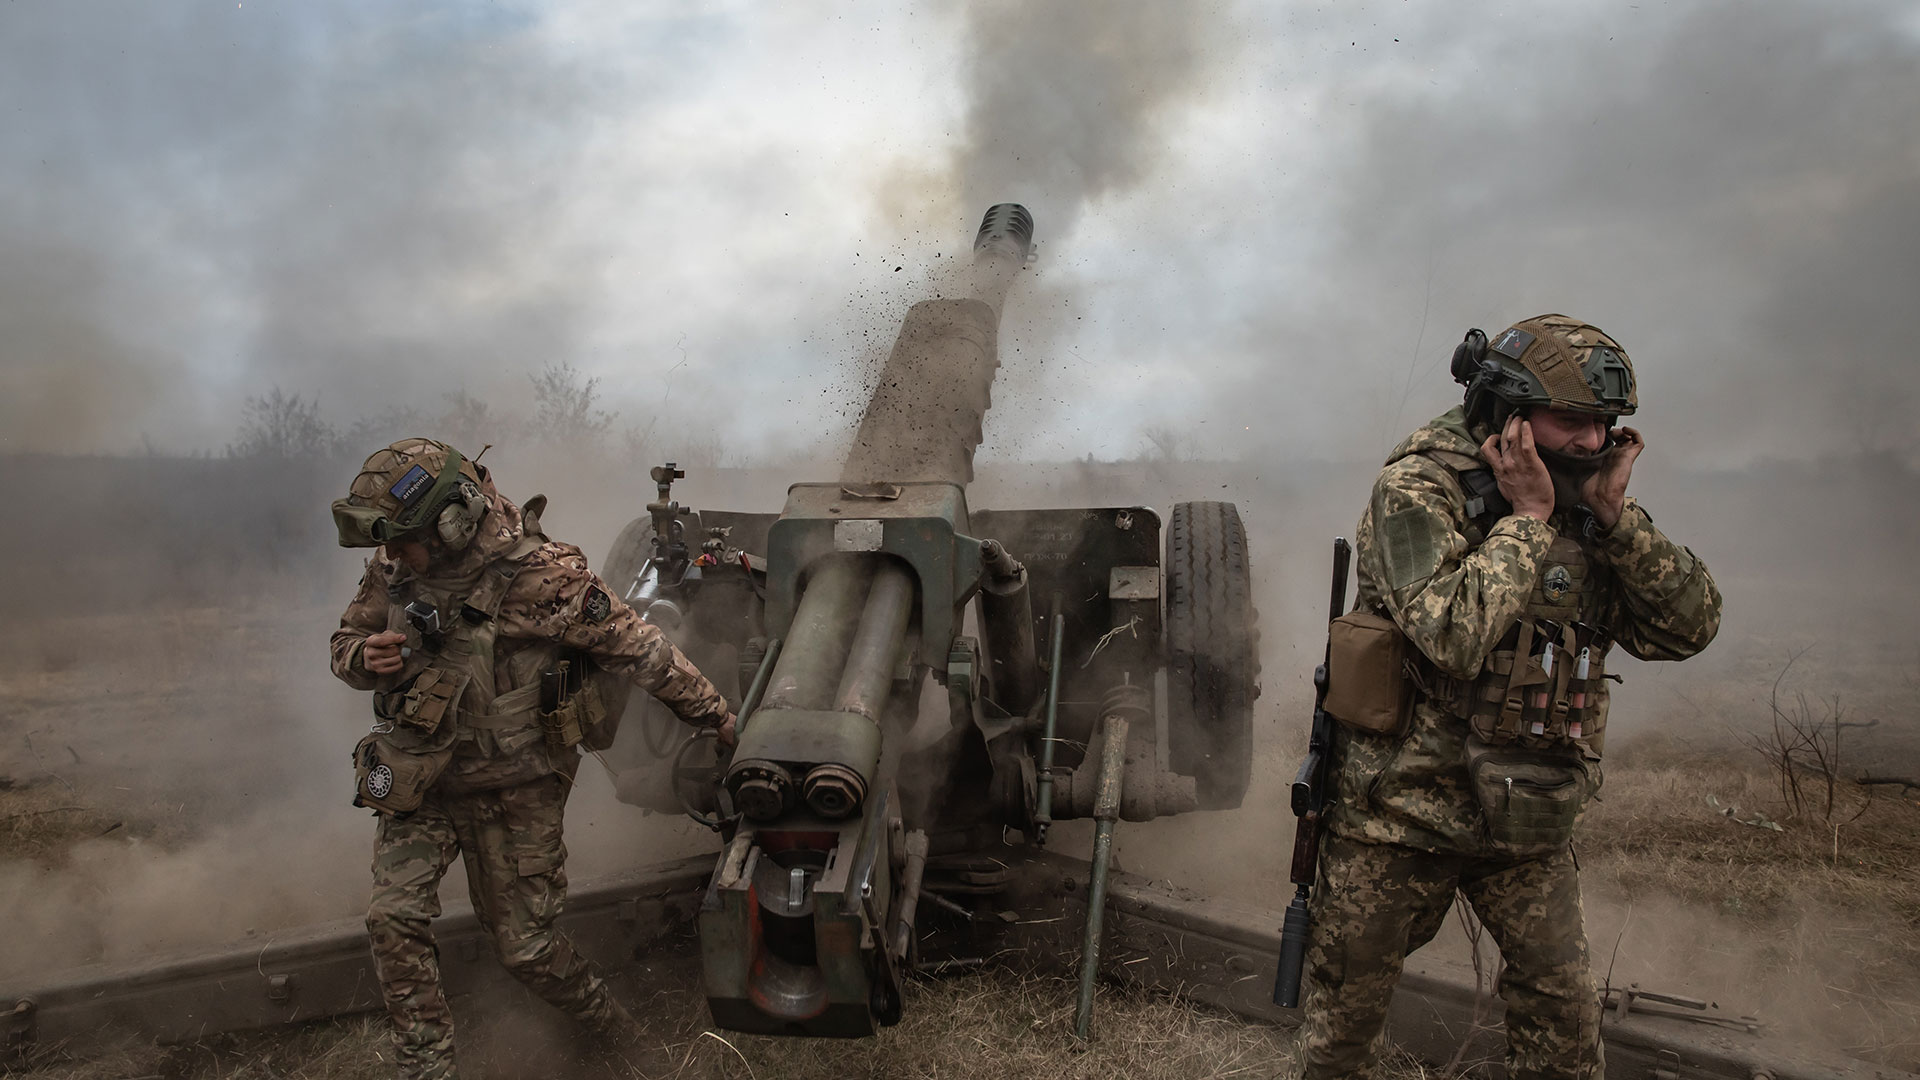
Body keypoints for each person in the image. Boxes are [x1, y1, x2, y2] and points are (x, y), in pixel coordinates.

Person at [1295, 315, 1722, 1080]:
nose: (1593, 442)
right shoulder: (1418, 487)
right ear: (1510, 409)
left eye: (1606, 424)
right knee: (1341, 1038)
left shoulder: (1586, 500)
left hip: (1528, 815)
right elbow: (1451, 635)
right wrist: (1527, 522)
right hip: (1401, 815)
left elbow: (1688, 628)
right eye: (1573, 420)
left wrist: (1618, 523)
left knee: (1565, 1030)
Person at [328, 437, 735, 1080]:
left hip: (515, 787)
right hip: (422, 778)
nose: (392, 556)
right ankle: (425, 1067)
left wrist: (717, 717)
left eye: (404, 541)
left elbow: (643, 652)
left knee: (527, 950)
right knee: (392, 919)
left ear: (452, 521)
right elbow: (348, 638)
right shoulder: (395, 568)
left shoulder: (548, 578)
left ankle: (616, 1033)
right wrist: (361, 657)